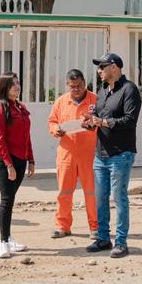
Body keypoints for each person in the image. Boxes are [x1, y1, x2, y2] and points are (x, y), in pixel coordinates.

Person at [83, 53, 140, 259]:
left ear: (114, 67)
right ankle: (103, 238)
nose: (99, 71)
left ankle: (121, 242)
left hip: (120, 153)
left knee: (119, 197)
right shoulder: (102, 91)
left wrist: (103, 122)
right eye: (98, 67)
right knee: (100, 199)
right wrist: (90, 122)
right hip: (101, 153)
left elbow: (129, 121)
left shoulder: (129, 90)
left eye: (102, 67)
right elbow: (99, 118)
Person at [0, 72, 34, 259]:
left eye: (18, 83)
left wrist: (31, 160)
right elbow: (0, 140)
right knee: (6, 199)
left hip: (20, 159)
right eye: (12, 84)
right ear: (4, 88)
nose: (17, 86)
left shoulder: (21, 108)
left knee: (11, 199)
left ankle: (8, 238)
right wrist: (8, 165)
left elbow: (26, 137)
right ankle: (2, 242)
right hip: (2, 159)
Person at [47, 69, 96, 239]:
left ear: (85, 83)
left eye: (79, 86)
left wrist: (93, 124)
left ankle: (95, 227)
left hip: (89, 153)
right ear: (67, 85)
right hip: (66, 154)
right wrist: (56, 130)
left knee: (91, 192)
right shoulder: (61, 102)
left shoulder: (95, 100)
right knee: (64, 192)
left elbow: (102, 119)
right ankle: (62, 226)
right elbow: (52, 121)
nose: (76, 89)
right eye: (72, 86)